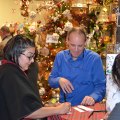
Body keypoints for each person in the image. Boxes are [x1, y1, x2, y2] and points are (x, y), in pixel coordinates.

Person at [0, 34, 71, 120]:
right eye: (29, 56)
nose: (32, 60)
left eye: (33, 57)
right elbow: (28, 112)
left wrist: (48, 107)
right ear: (16, 52)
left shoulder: (9, 69)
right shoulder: (10, 73)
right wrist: (58, 110)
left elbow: (23, 104)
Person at [48, 27, 106, 106]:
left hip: (86, 108)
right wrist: (59, 80)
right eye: (72, 45)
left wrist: (93, 97)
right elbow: (51, 80)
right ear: (67, 41)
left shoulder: (94, 59)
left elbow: (101, 86)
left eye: (80, 46)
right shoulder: (60, 56)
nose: (76, 49)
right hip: (64, 107)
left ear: (85, 43)